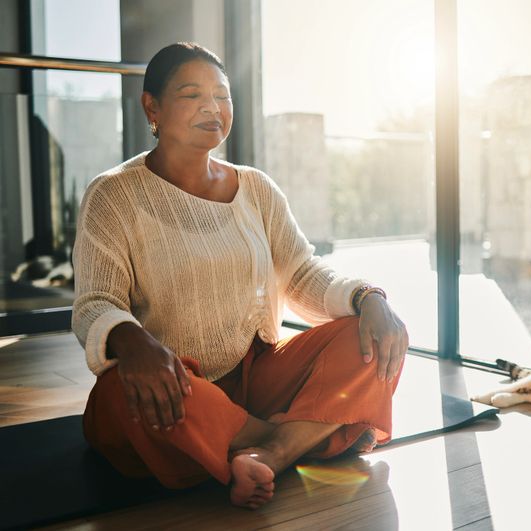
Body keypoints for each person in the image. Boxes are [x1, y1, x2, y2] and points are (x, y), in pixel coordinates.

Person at [72, 42, 408, 510]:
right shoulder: (113, 195)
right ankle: (303, 434)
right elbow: (95, 304)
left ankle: (267, 453)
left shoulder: (256, 188)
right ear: (153, 106)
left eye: (222, 95)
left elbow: (302, 274)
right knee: (118, 393)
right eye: (192, 94)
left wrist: (369, 297)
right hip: (177, 389)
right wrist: (132, 340)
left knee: (365, 338)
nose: (212, 107)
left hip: (257, 377)